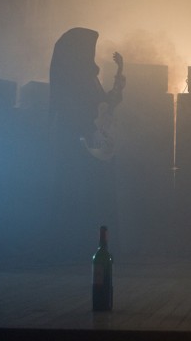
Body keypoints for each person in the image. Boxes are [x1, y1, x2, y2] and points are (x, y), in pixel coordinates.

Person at [49, 27, 125, 259]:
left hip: (93, 144)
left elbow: (104, 106)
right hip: (80, 146)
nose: (92, 52)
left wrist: (119, 76)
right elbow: (83, 112)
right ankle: (77, 245)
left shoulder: (89, 78)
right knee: (82, 193)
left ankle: (95, 244)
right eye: (89, 47)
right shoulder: (73, 79)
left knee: (96, 194)